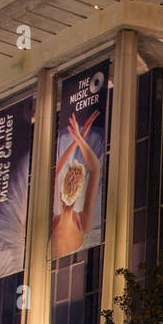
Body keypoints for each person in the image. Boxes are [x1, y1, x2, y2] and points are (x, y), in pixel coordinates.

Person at [51, 110, 101, 258]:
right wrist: (80, 138)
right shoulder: (82, 222)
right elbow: (95, 168)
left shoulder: (52, 223)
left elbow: (54, 172)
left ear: (60, 194)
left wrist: (77, 140)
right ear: (78, 195)